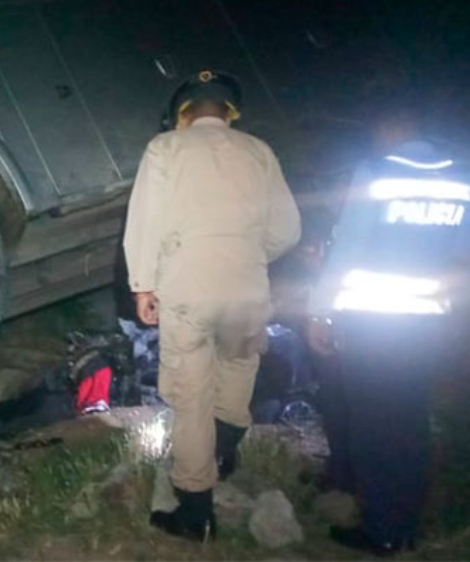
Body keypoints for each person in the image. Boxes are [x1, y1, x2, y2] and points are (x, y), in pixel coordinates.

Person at [123, 69, 301, 541]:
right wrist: (245, 253)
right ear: (230, 112)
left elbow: (145, 222)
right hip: (247, 287)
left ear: (183, 113)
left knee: (191, 395)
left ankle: (196, 510)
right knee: (238, 370)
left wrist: (144, 285)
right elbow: (287, 231)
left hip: (188, 289)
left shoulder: (165, 149)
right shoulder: (259, 152)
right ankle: (225, 450)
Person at [307, 106, 470, 555]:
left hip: (372, 323)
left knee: (372, 426)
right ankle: (404, 524)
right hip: (427, 324)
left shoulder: (377, 173)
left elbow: (346, 249)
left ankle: (380, 527)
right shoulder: (469, 179)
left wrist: (320, 312)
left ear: (387, 128)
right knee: (410, 423)